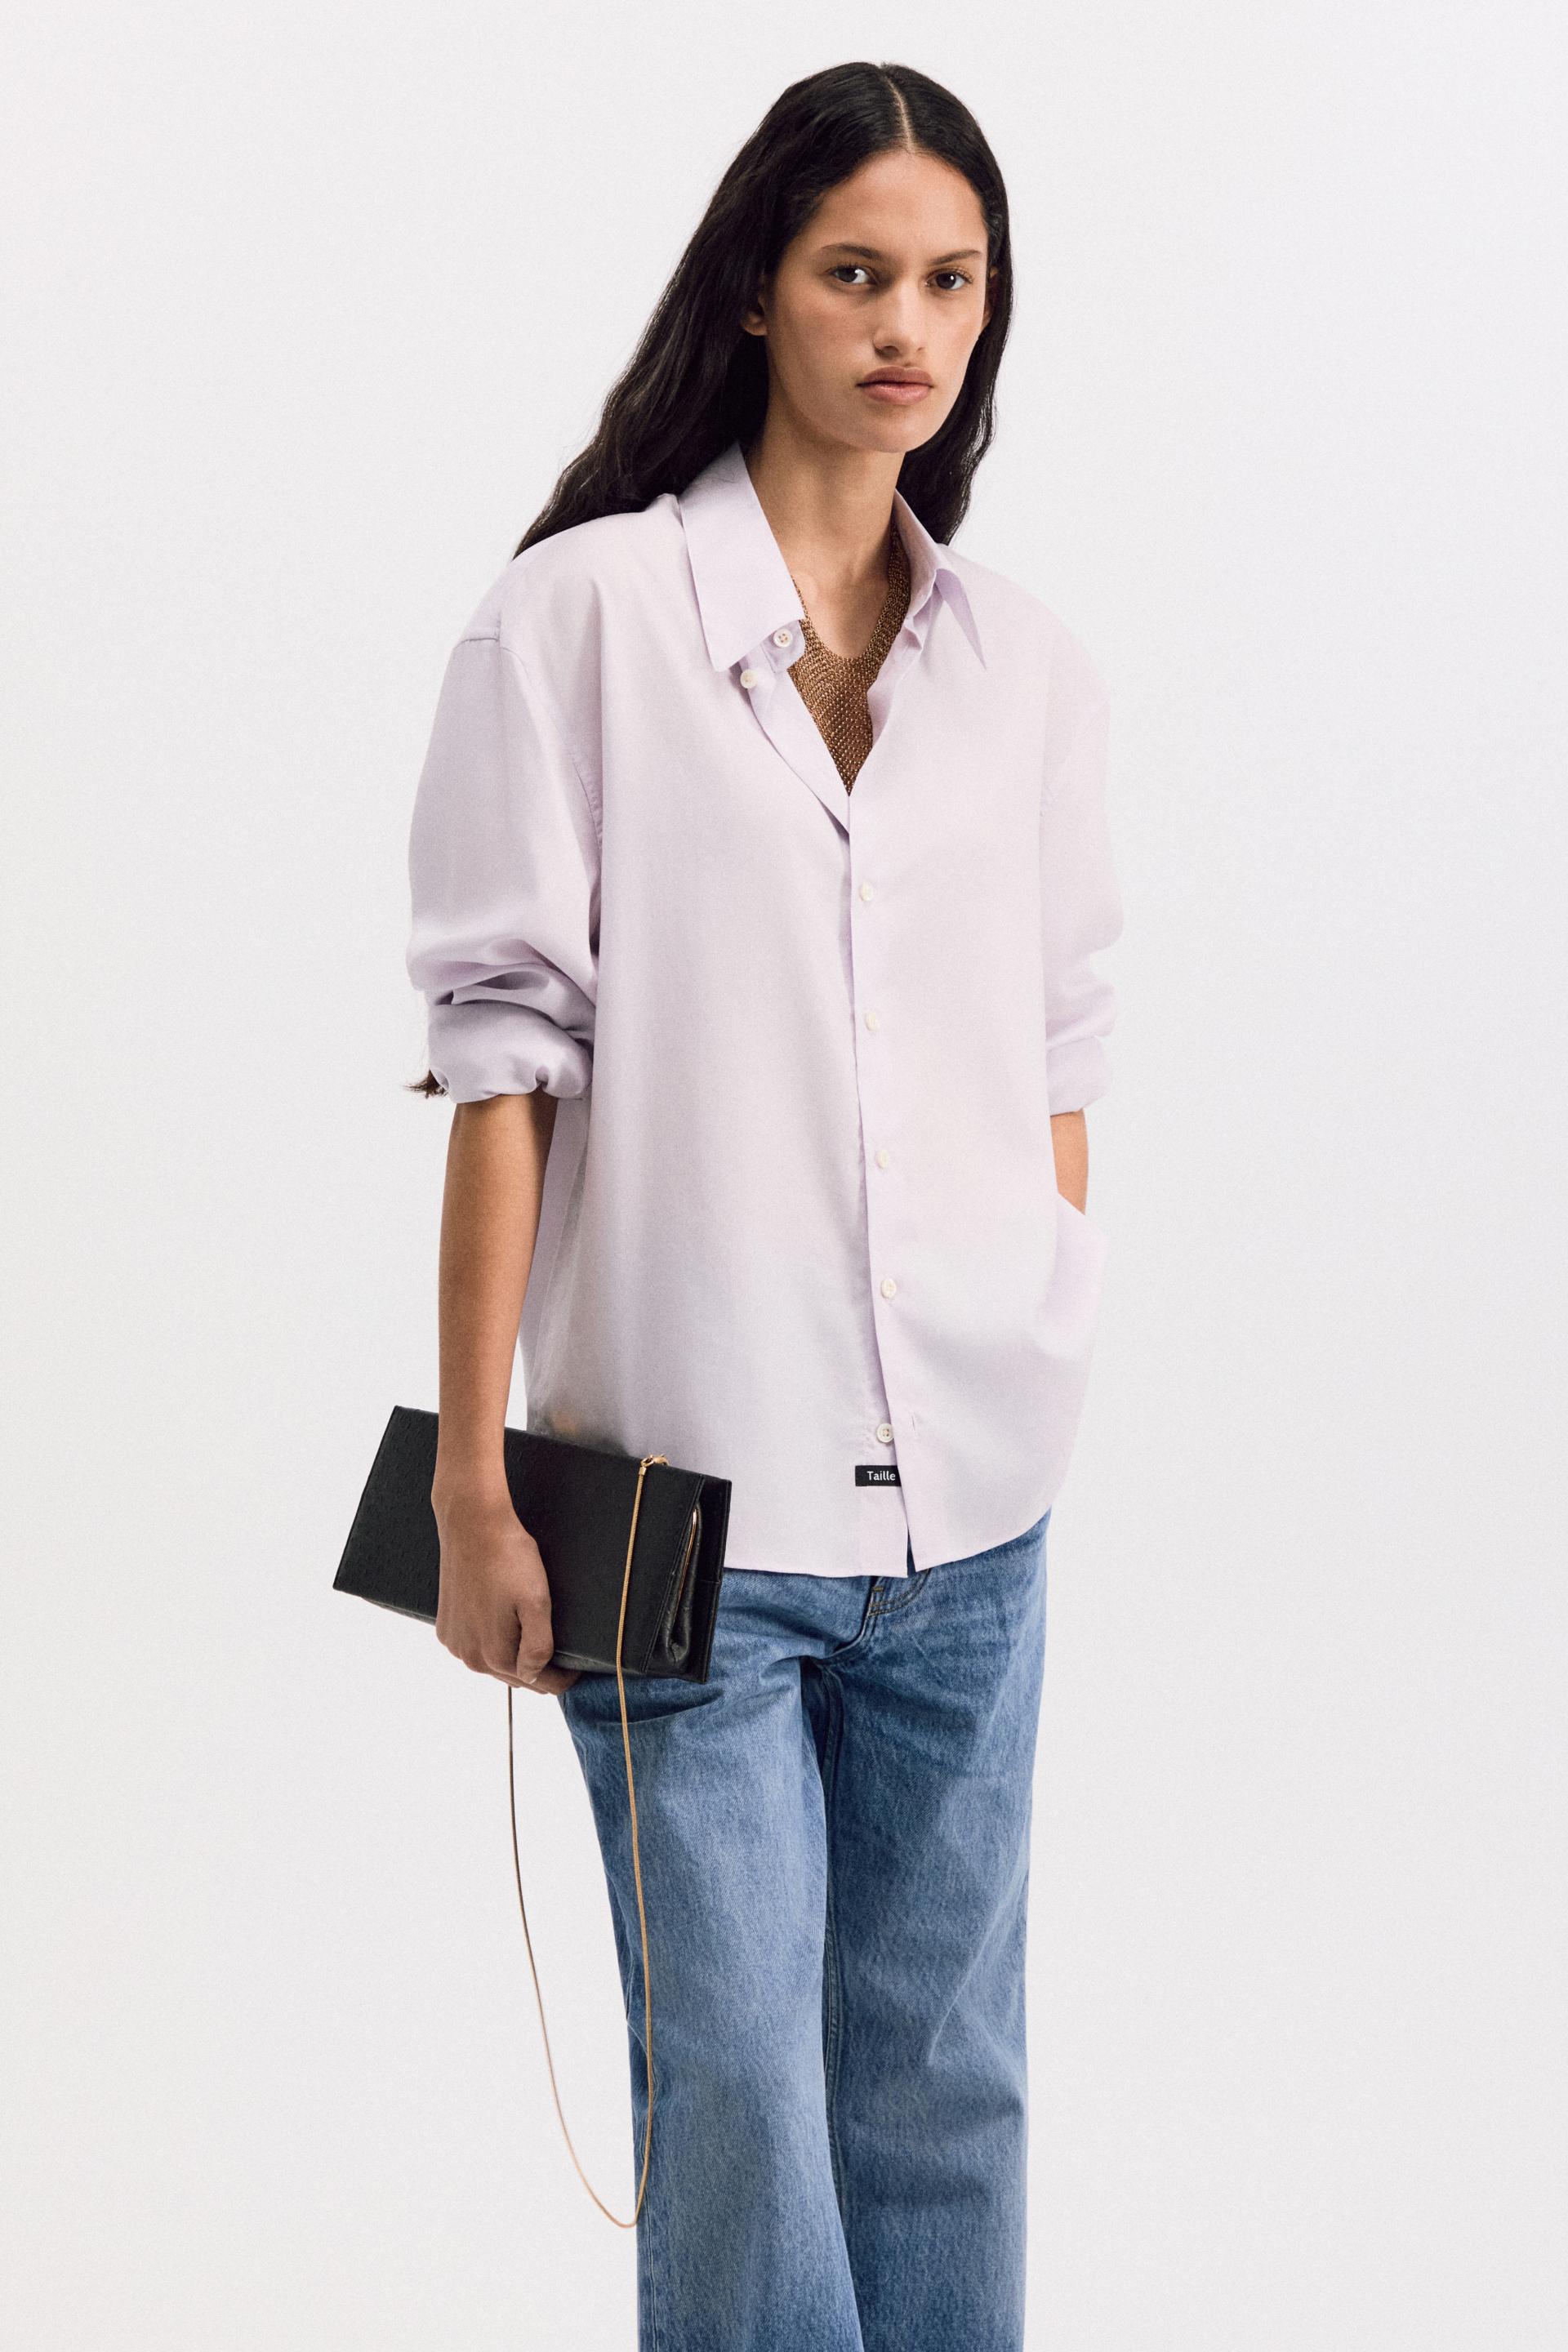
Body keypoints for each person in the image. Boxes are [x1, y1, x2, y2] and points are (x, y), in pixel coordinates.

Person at [403, 57, 1123, 2352]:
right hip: (680, 1517)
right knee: (738, 2101)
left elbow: (1056, 1060)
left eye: (953, 282)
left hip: (970, 1526)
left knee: (946, 2090)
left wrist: (1039, 1322)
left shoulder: (1024, 669)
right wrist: (474, 1487)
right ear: (755, 291)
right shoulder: (578, 624)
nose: (910, 327)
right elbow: (502, 1074)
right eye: (856, 274)